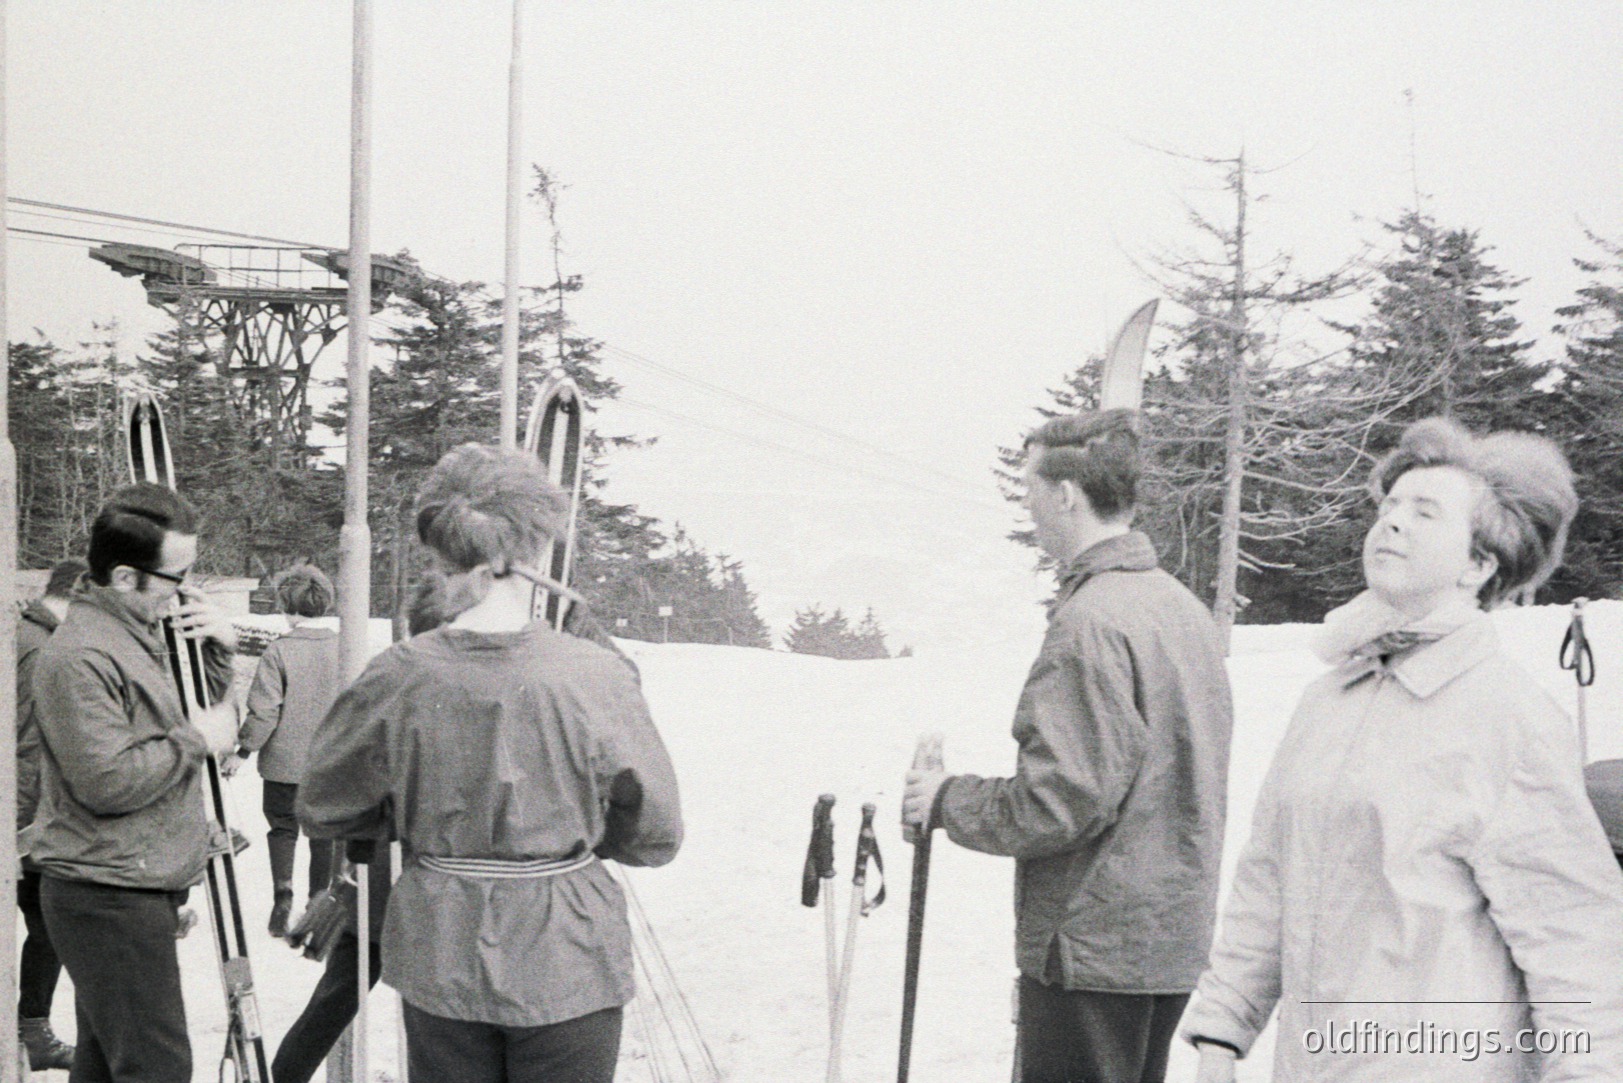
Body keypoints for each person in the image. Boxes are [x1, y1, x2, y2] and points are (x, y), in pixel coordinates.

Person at [1183, 418, 1623, 1082]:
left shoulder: (1508, 717)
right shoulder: (1325, 701)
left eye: (1423, 512)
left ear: (1478, 563)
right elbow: (1267, 878)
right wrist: (1222, 1028)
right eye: (1387, 507)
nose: (1389, 523)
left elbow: (1572, 938)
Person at [298, 443, 682, 1083]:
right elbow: (657, 834)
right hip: (569, 953)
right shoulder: (596, 674)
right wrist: (577, 837)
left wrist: (406, 812)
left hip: (442, 943)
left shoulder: (399, 674)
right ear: (535, 549)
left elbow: (325, 802)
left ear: (439, 550)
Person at [901, 409, 1234, 1083]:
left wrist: (944, 799)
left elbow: (1059, 803)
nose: (1026, 503)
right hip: (1162, 946)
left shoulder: (1089, 622)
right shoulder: (1179, 608)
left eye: (1028, 486)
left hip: (1092, 951)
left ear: (1065, 494)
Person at [25, 483, 240, 1083]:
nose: (186, 589)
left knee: (105, 1064)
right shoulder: (79, 655)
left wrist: (219, 649)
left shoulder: (141, 636)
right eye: (176, 576)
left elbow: (190, 712)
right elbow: (106, 780)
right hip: (106, 891)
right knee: (157, 1067)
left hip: (128, 883)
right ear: (124, 577)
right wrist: (199, 740)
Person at [223, 564, 341, 937]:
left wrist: (242, 752)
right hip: (331, 767)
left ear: (286, 606)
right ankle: (318, 900)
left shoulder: (278, 652)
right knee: (324, 835)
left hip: (283, 767)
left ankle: (283, 892)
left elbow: (265, 710)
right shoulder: (346, 649)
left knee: (283, 829)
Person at [14, 558, 87, 1071]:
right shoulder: (45, 650)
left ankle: (31, 1028)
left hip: (23, 804)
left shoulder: (24, 635)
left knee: (46, 925)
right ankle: (31, 1029)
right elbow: (37, 744)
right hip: (29, 810)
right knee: (51, 927)